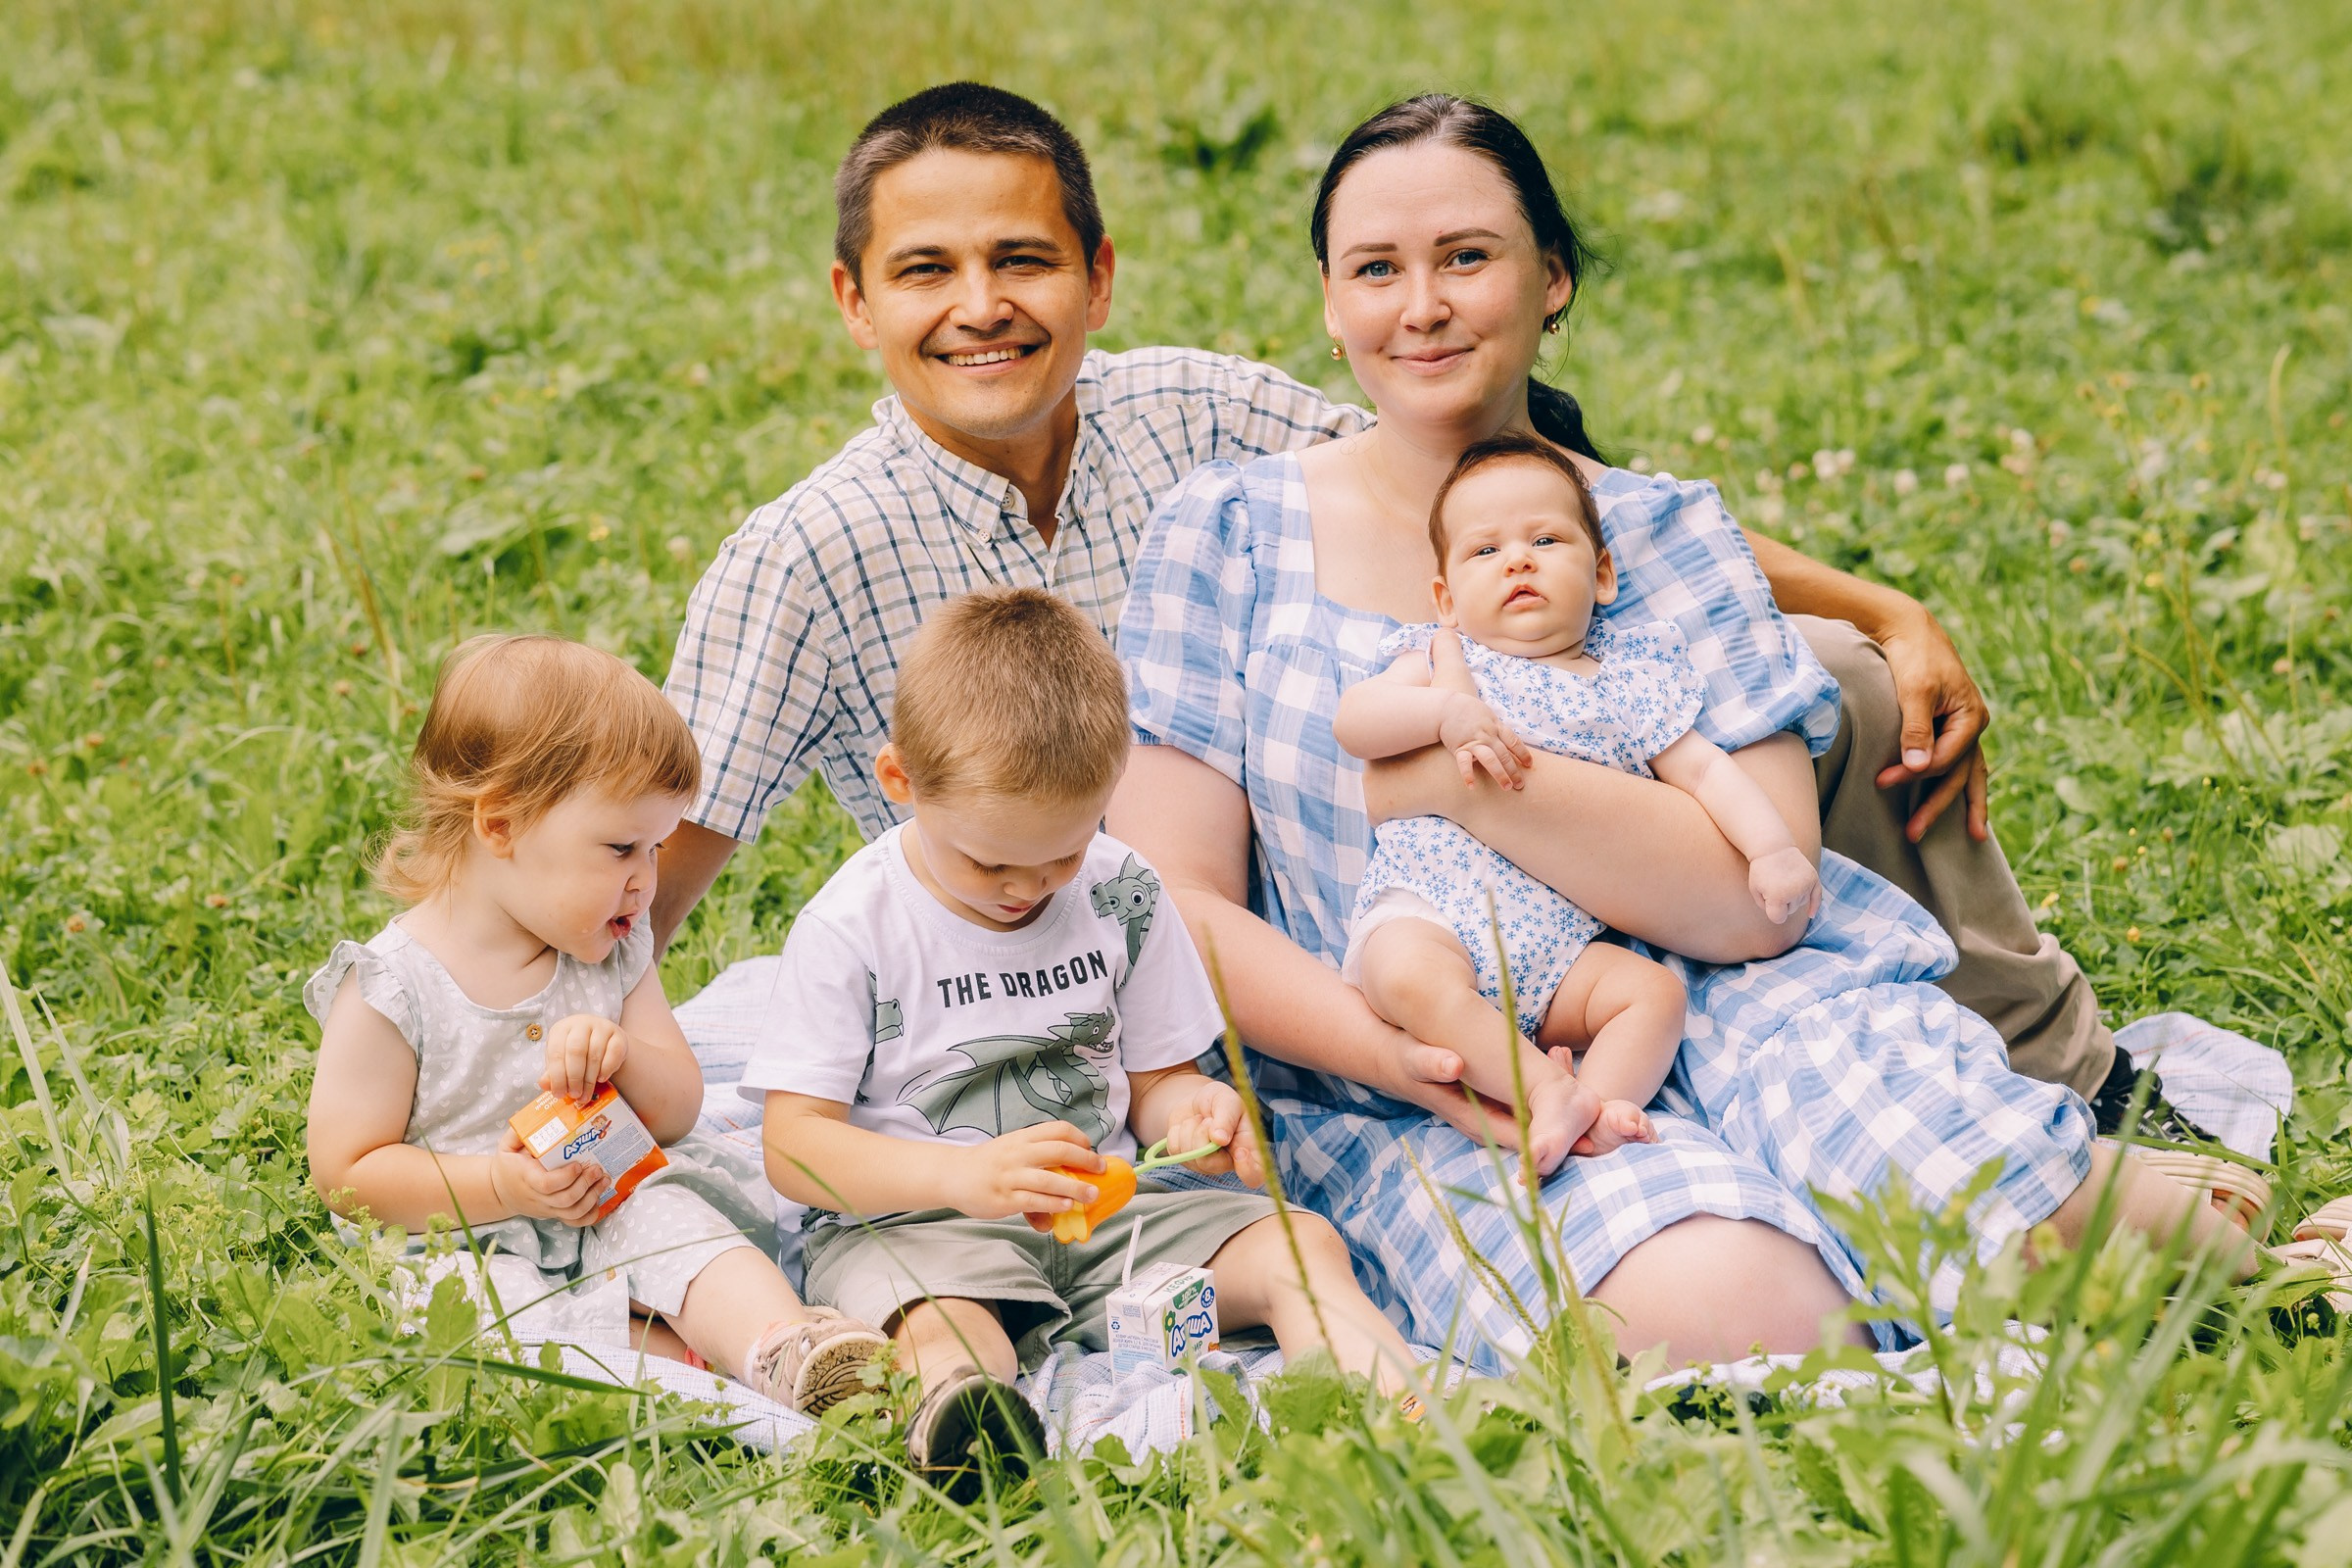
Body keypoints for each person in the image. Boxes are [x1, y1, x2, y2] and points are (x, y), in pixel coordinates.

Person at [654, 78, 2217, 1152]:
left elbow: (1513, 488)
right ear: (856, 303)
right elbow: (655, 866)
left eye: (1022, 261)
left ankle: (2047, 1058)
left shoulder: (1191, 412)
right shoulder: (810, 554)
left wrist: (1882, 601)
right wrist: (536, 1012)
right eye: (926, 271)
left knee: (1839, 681)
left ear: (1099, 277)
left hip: (1435, 797)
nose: (980, 305)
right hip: (1118, 922)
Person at [1110, 94, 2255, 1367]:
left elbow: (1747, 904)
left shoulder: (1660, 536)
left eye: (1468, 258)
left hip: (1722, 1003)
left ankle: (2177, 1223)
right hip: (1383, 1077)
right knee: (1755, 1317)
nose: (1420, 304)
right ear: (1330, 303)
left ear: (1552, 281)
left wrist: (1459, 778)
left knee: (2083, 1234)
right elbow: (1179, 900)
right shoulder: (1225, 533)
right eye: (1377, 269)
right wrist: (1429, 1061)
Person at [753, 589, 1418, 1492]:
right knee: (940, 1321)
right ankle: (975, 1432)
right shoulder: (855, 925)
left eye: (1063, 854)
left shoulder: (1120, 891)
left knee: (1296, 1246)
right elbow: (795, 1150)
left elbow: (1159, 1083)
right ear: (900, 781)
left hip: (1108, 1210)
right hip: (922, 1219)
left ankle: (1393, 1413)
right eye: (990, 862)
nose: (1027, 889)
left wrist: (1198, 1113)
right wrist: (961, 1180)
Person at [303, 636, 886, 1413]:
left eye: (657, 847)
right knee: (489, 1320)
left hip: (612, 1190)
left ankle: (781, 1346)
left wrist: (627, 1057)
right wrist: (504, 1186)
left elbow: (678, 1108)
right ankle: (680, 1357)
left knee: (681, 1226)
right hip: (461, 1231)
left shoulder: (609, 951)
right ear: (501, 826)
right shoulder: (394, 986)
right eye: (621, 848)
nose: (646, 880)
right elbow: (349, 1173)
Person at [1337, 432, 1820, 1172]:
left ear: (1600, 575)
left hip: (1559, 949)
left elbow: (1707, 773)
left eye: (1544, 539)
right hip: (1433, 908)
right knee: (1404, 976)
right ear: (1447, 601)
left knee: (1652, 997)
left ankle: (1594, 1107)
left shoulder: (1631, 679)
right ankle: (1546, 1093)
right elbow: (1355, 724)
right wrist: (1441, 715)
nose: (1518, 561)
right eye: (1484, 551)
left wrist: (1773, 849)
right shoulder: (1443, 661)